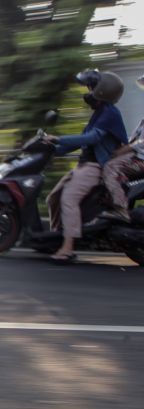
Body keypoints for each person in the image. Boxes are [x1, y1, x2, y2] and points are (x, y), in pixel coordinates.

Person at [42, 69, 127, 263]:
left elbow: (92, 138)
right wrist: (53, 150)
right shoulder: (99, 113)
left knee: (68, 199)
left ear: (102, 91)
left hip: (96, 167)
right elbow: (82, 142)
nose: (88, 92)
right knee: (53, 198)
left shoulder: (109, 113)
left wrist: (59, 138)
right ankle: (57, 238)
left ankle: (68, 248)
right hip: (84, 165)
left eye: (91, 88)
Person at [99, 74, 144, 223]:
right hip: (138, 155)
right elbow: (135, 137)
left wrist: (127, 149)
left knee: (111, 168)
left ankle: (120, 209)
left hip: (142, 159)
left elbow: (141, 142)